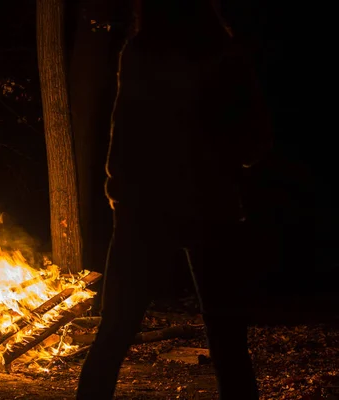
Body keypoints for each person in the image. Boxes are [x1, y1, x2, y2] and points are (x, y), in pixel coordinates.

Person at [76, 1, 271, 399]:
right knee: (229, 344)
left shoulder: (142, 51)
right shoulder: (225, 55)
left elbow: (123, 132)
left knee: (112, 335)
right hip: (211, 206)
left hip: (145, 209)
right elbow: (255, 141)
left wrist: (121, 196)